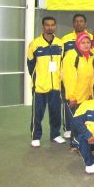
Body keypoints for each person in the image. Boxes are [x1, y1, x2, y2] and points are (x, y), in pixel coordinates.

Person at [27, 16, 65, 147]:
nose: (50, 27)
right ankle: (35, 136)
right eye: (47, 25)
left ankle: (55, 134)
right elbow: (30, 65)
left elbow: (62, 64)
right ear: (43, 26)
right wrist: (38, 79)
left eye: (52, 25)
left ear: (55, 26)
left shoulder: (60, 43)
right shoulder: (34, 44)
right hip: (39, 86)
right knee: (37, 113)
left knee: (55, 112)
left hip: (56, 86)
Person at [61, 32, 94, 141]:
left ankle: (81, 142)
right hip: (74, 97)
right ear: (77, 43)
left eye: (88, 42)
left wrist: (90, 93)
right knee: (76, 121)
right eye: (83, 42)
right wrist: (71, 97)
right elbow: (68, 78)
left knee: (83, 121)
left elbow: (91, 77)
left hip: (85, 96)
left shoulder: (91, 55)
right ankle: (74, 144)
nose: (86, 45)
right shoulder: (71, 56)